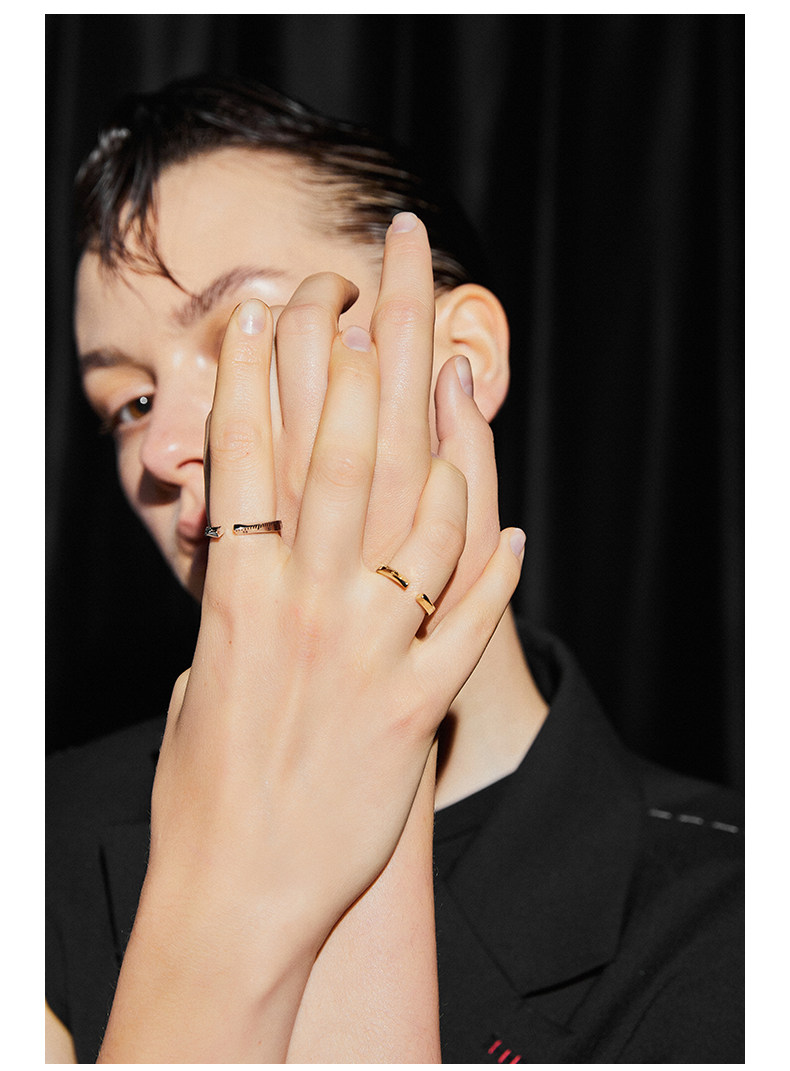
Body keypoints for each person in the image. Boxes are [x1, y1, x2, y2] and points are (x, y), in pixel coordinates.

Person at [46, 75, 744, 1063]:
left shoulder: (733, 920)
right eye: (130, 402)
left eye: (246, 334)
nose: (162, 450)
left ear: (461, 356)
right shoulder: (40, 842)